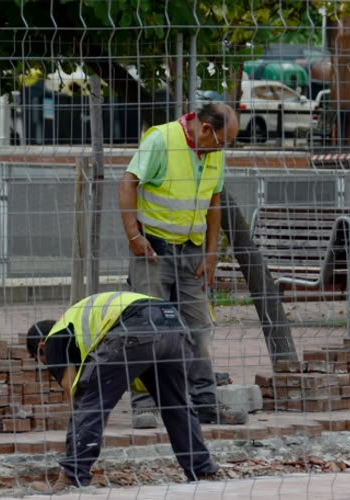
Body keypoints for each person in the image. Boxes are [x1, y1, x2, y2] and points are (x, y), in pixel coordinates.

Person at [118, 102, 247, 428]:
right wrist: (134, 236)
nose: (222, 149)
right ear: (205, 128)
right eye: (222, 141)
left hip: (191, 252)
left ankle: (204, 403)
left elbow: (214, 201)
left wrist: (210, 253)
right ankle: (144, 404)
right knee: (147, 327)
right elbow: (128, 182)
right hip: (154, 250)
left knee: (197, 328)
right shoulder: (161, 140)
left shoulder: (213, 151)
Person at [26, 292, 219, 493]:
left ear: (41, 347)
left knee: (90, 403)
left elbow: (80, 403)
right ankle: (202, 470)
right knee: (175, 405)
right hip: (173, 324)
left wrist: (86, 430)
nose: (47, 365)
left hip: (135, 328)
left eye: (41, 360)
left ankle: (71, 478)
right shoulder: (76, 326)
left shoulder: (54, 339)